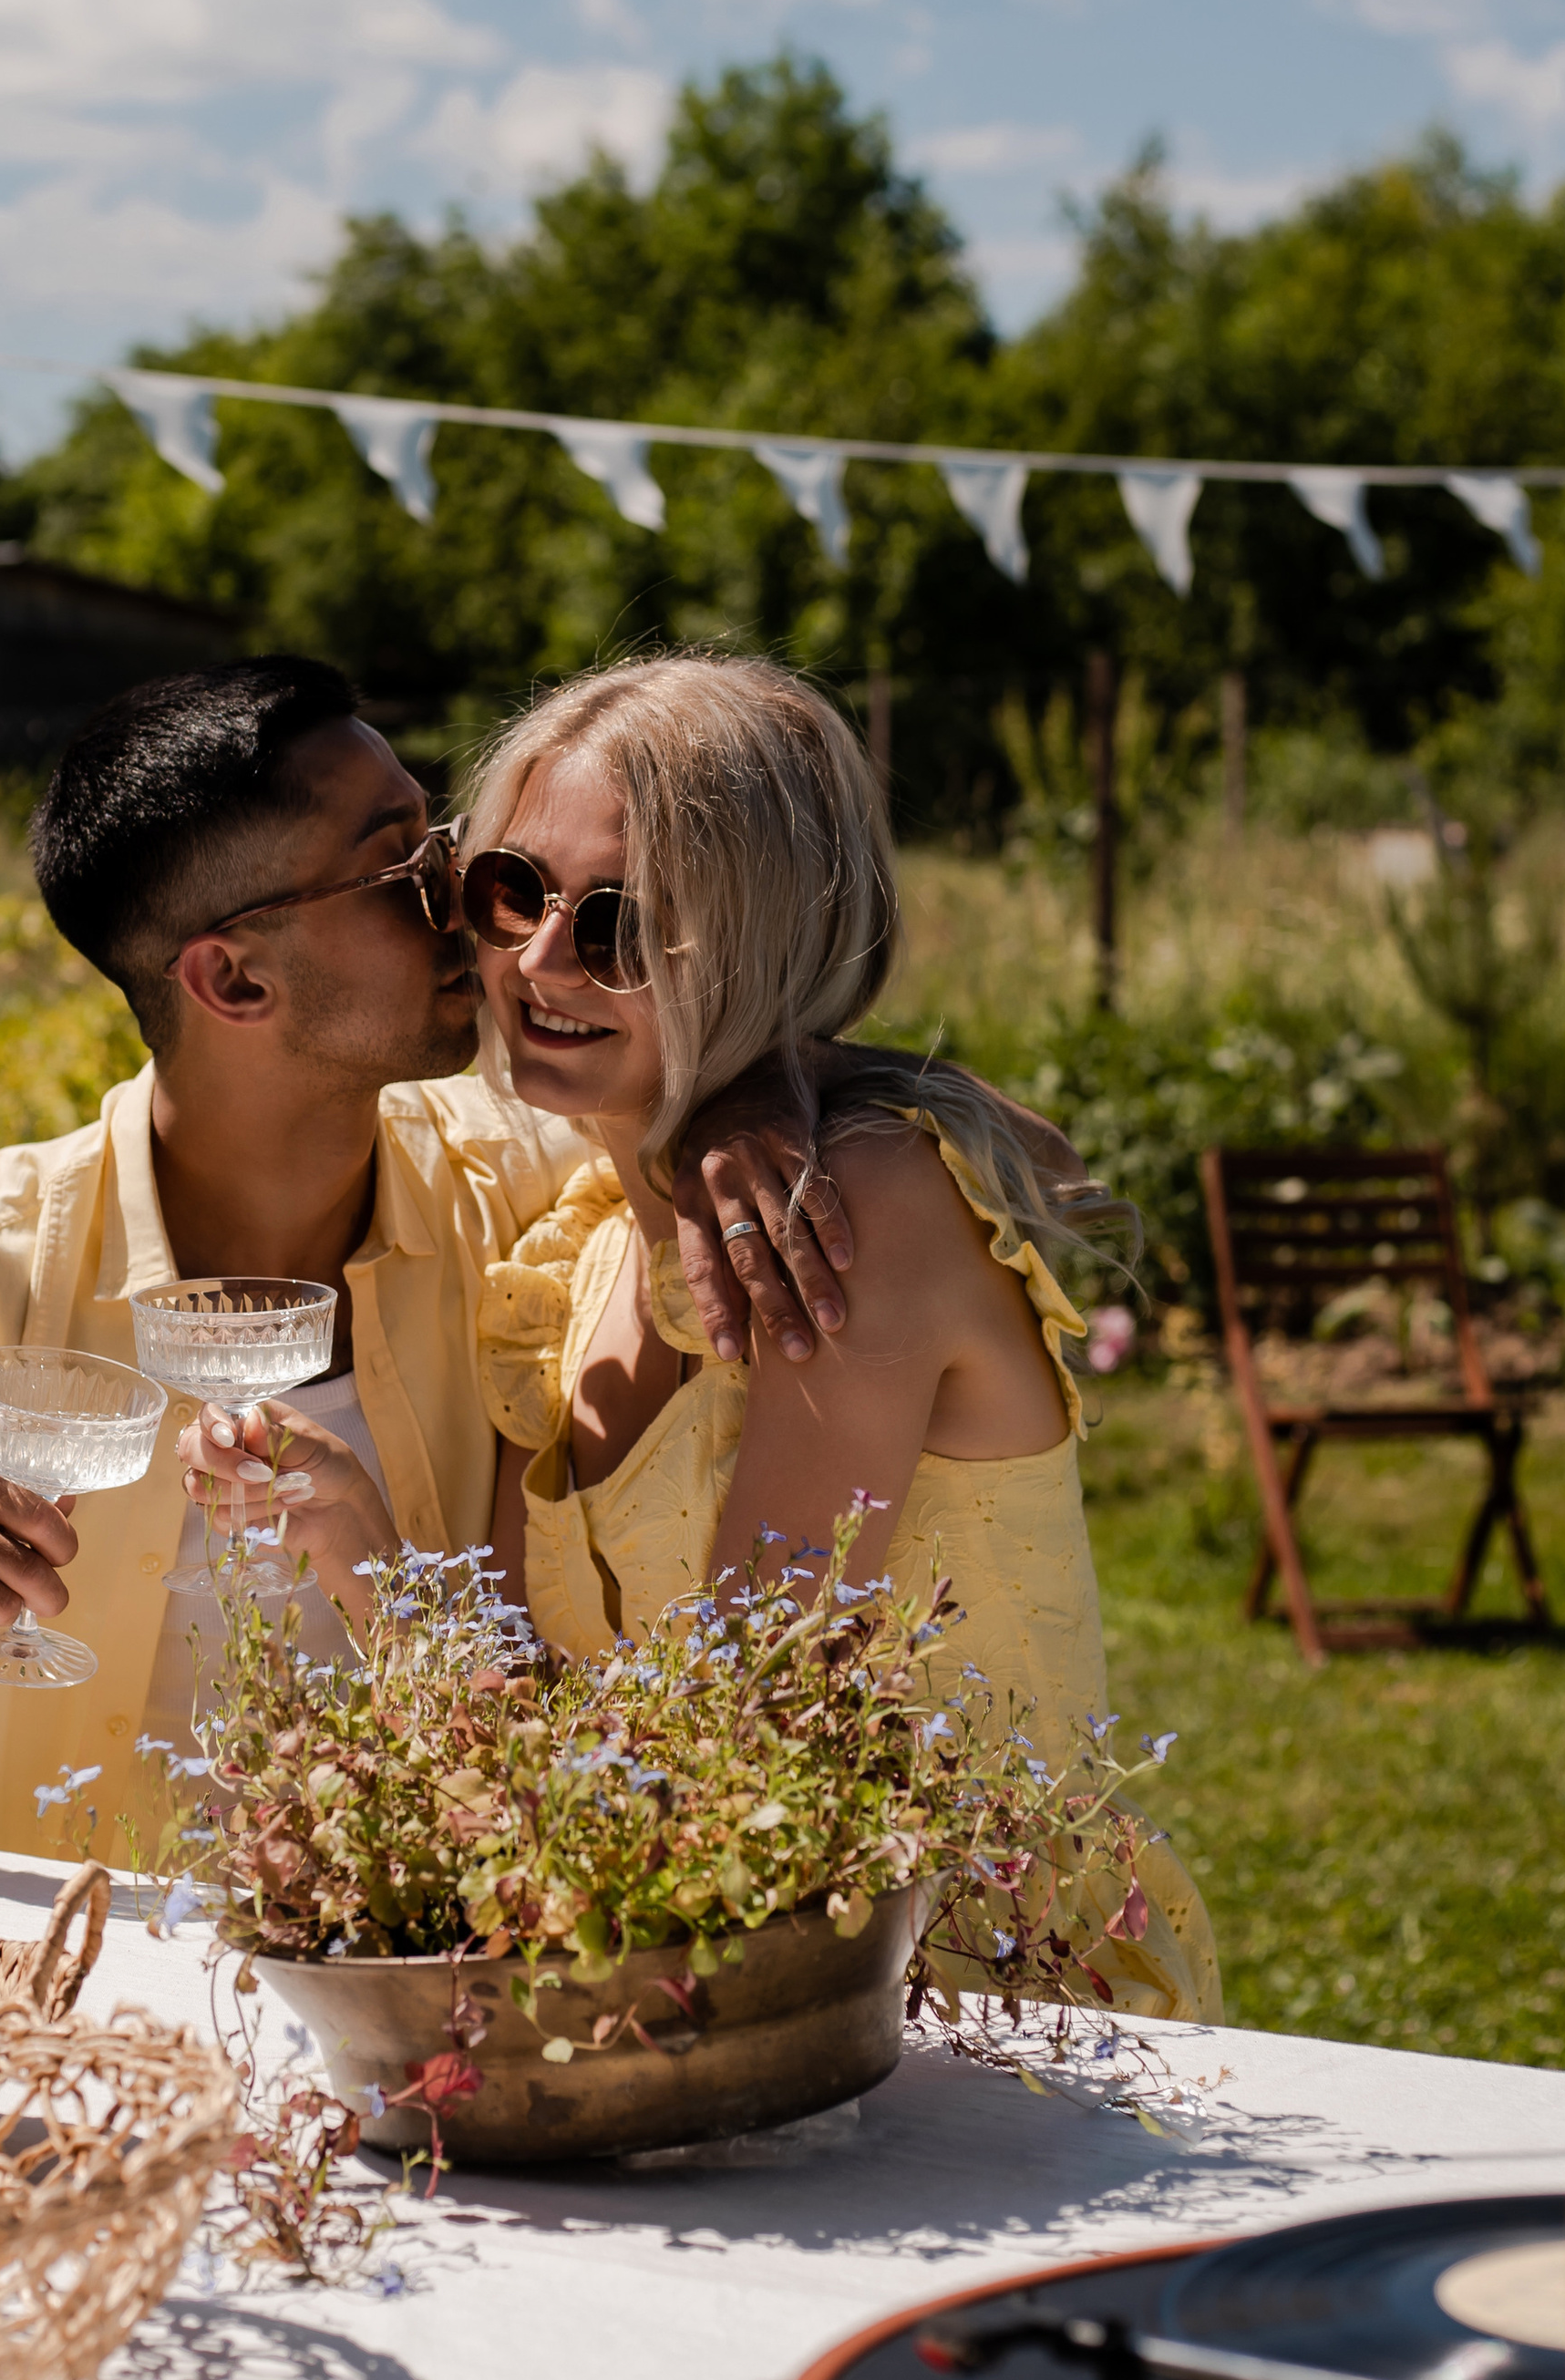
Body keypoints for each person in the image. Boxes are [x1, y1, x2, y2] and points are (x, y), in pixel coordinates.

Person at [0, 657, 844, 1858]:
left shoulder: (521, 1182)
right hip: (103, 1997)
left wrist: (748, 1097)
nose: (467, 893)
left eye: (443, 838)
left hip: (440, 1989)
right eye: (400, 867)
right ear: (235, 978)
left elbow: (763, 1060)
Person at [450, 651, 1220, 2021]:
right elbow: (532, 1697)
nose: (538, 960)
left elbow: (747, 1724)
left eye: (621, 926)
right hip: (684, 1978)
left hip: (974, 2010)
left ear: (765, 947)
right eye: (509, 892)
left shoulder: (850, 1211)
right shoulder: (579, 1243)